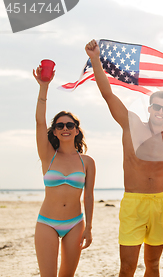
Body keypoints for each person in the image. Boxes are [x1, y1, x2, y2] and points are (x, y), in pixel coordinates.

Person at [85, 39, 163, 277]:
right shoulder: (131, 125)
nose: (161, 112)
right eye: (157, 107)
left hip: (161, 203)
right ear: (150, 108)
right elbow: (107, 95)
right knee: (127, 267)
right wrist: (95, 60)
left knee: (153, 266)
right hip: (134, 203)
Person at [34, 65, 96, 276]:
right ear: (55, 132)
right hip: (47, 223)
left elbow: (88, 196)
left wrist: (88, 227)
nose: (65, 129)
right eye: (60, 126)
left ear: (77, 131)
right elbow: (40, 122)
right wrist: (44, 87)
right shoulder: (47, 155)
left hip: (75, 223)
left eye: (70, 125)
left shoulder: (87, 162)